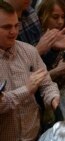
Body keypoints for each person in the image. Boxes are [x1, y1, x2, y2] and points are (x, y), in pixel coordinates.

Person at [0, 1, 60, 140]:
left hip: (34, 135)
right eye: (7, 27)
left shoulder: (29, 51)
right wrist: (26, 89)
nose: (14, 31)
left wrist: (54, 100)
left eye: (16, 25)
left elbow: (47, 85)